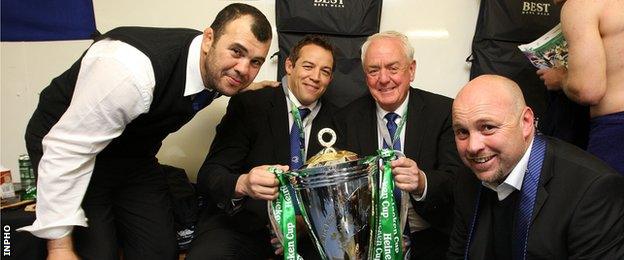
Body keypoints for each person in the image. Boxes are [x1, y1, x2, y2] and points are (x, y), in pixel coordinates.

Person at [19, 3, 273, 260]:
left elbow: (219, 77)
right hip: (72, 149)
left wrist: (246, 89)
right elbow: (67, 150)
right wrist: (59, 248)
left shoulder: (217, 69)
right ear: (209, 39)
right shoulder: (130, 72)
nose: (243, 69)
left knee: (159, 251)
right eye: (236, 52)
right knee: (96, 253)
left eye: (255, 62)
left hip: (134, 155)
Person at [186, 35, 336, 259]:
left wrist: (304, 224)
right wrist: (243, 183)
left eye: (325, 71)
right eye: (308, 66)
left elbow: (339, 196)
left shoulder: (339, 120)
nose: (315, 77)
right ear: (289, 66)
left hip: (309, 232)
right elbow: (211, 174)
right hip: (243, 224)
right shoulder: (250, 104)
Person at [448, 74, 624, 259]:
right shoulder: (467, 177)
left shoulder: (591, 191)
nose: (473, 146)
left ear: (526, 122)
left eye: (487, 127)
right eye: (462, 132)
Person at [333, 31, 462, 260]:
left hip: (430, 241)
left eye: (393, 68)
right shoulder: (346, 119)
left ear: (411, 70)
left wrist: (422, 181)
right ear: (365, 76)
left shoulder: (443, 112)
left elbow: (457, 179)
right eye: (374, 70)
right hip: (367, 245)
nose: (383, 79)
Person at [537, 0, 624, 174]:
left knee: (606, 199)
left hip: (617, 132)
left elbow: (588, 90)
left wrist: (561, 78)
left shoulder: (582, 5)